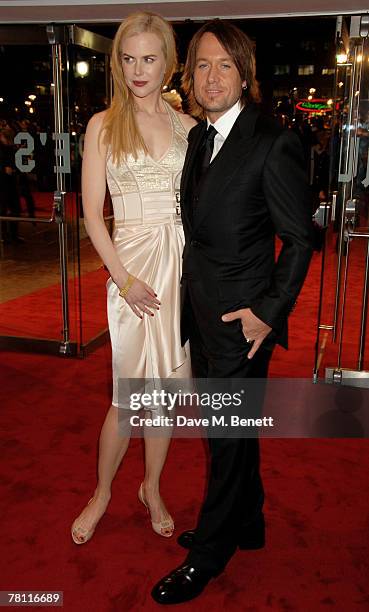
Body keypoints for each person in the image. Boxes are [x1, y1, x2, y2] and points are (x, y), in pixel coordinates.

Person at [152, 19, 314, 604]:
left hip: (245, 323)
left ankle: (210, 552)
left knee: (224, 436)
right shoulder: (200, 138)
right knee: (234, 431)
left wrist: (266, 314)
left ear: (245, 74)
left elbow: (300, 239)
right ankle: (248, 522)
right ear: (189, 76)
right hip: (204, 314)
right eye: (201, 65)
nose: (211, 76)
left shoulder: (272, 141)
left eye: (224, 65)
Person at [71, 11, 196, 544]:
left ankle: (151, 486)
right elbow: (92, 215)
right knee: (129, 396)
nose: (138, 69)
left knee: (165, 392)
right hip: (132, 271)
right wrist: (123, 280)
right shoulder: (103, 125)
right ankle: (101, 494)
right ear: (117, 64)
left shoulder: (190, 127)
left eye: (149, 58)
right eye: (128, 58)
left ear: (168, 63)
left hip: (180, 269)